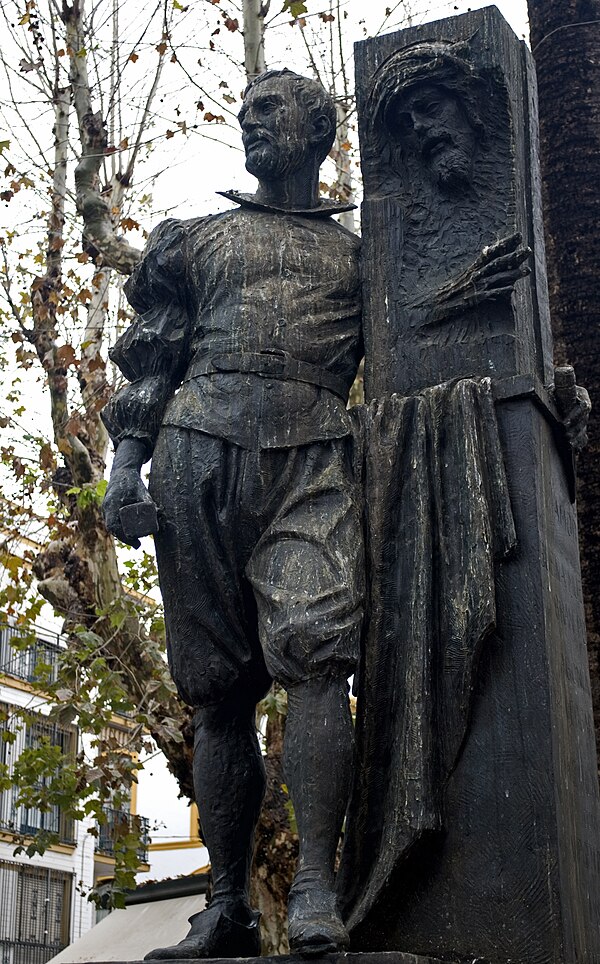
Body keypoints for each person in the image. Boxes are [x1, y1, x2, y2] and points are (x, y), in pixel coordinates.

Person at [102, 69, 364, 960]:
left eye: (271, 109)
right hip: (195, 456)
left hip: (313, 456)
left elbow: (432, 358)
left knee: (320, 658)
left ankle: (321, 887)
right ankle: (225, 904)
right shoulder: (199, 240)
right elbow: (154, 356)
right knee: (217, 695)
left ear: (320, 130)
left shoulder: (365, 258)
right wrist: (124, 469)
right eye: (244, 111)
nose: (249, 121)